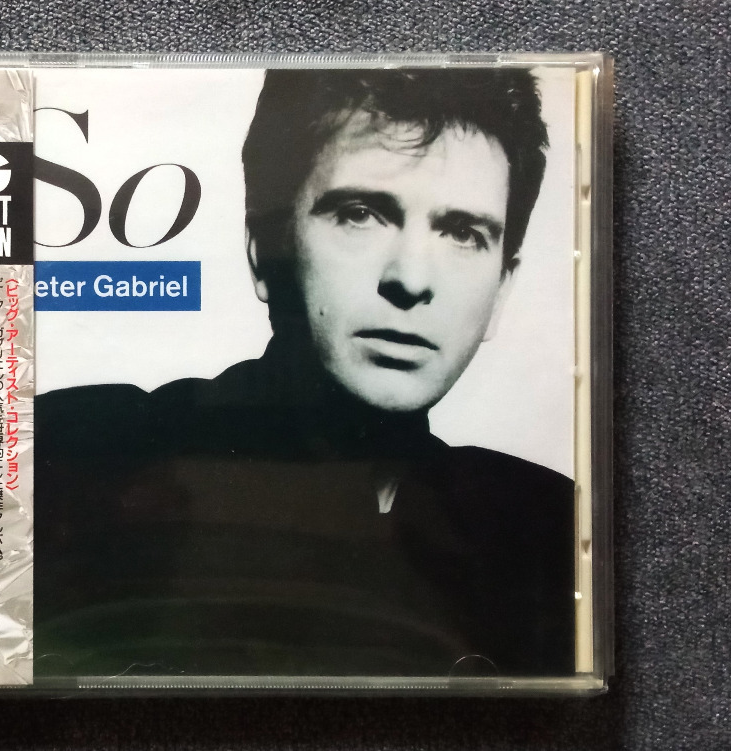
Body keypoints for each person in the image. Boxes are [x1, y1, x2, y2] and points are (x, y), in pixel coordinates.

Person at [33, 68, 575, 680]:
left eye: (462, 232)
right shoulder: (82, 458)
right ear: (266, 252)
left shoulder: (545, 528)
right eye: (361, 214)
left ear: (501, 289)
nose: (411, 279)